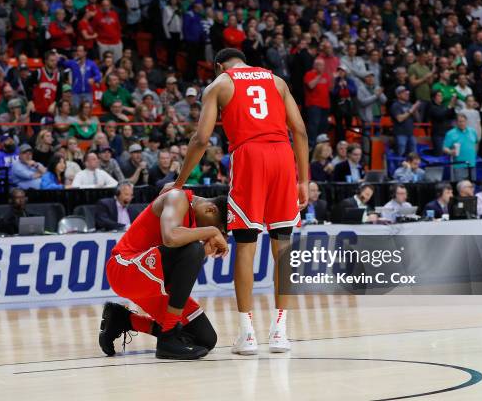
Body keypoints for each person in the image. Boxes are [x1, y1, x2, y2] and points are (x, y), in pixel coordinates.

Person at [169, 48, 309, 355]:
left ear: (220, 66)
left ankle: (247, 334)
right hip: (283, 157)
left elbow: (202, 139)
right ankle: (280, 332)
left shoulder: (220, 84)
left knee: (246, 244)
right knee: (283, 245)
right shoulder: (277, 81)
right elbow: (299, 129)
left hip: (250, 156)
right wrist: (303, 180)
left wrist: (179, 182)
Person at [100, 188, 228, 359]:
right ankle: (168, 337)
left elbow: (180, 265)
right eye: (220, 229)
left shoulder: (189, 215)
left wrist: (204, 251)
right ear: (210, 209)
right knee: (194, 249)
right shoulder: (178, 197)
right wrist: (212, 231)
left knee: (205, 339)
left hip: (152, 280)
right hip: (124, 268)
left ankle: (123, 319)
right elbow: (170, 238)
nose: (218, 235)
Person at [303, 58, 331, 146]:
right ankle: (312, 146)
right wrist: (319, 76)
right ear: (314, 65)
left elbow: (329, 89)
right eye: (319, 64)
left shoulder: (326, 75)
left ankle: (321, 146)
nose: (321, 67)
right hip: (314, 105)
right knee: (313, 126)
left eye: (322, 65)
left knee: (323, 126)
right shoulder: (309, 74)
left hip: (325, 105)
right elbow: (311, 85)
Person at [443, 113, 479, 181]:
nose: (462, 123)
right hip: (459, 164)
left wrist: (474, 154)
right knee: (460, 186)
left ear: (466, 121)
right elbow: (444, 148)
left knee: (472, 186)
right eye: (460, 121)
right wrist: (450, 151)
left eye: (463, 121)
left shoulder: (472, 131)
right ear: (456, 122)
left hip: (472, 164)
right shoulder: (451, 133)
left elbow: (476, 143)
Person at [391, 86, 420, 156]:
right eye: (404, 93)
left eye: (407, 93)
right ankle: (400, 166)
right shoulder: (395, 105)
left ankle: (411, 167)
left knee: (414, 154)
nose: (407, 94)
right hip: (400, 134)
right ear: (398, 95)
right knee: (401, 153)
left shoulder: (409, 104)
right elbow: (399, 119)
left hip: (410, 134)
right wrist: (411, 110)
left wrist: (415, 110)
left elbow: (418, 120)